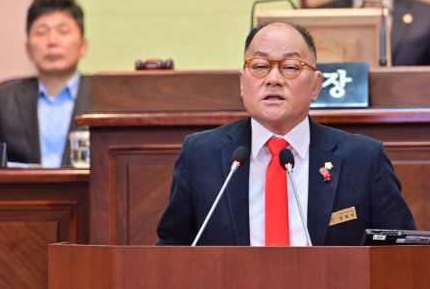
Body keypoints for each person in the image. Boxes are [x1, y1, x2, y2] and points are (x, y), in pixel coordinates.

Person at [157, 22, 415, 246]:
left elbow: (402, 251)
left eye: (290, 67)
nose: (273, 79)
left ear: (316, 85)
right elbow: (172, 249)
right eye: (260, 66)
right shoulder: (201, 155)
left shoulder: (363, 159)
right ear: (242, 83)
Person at [0, 0, 91, 167]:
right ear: (28, 49)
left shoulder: (106, 97)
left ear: (83, 46)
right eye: (41, 32)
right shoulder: (3, 100)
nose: (52, 41)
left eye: (63, 31)